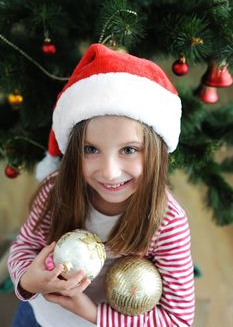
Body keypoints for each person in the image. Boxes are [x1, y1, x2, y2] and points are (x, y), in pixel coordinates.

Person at [8, 43, 195, 327]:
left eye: (129, 150)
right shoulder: (55, 191)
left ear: (155, 153)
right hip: (39, 319)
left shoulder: (167, 221)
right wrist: (29, 280)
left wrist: (91, 313)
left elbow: (177, 319)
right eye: (91, 149)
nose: (109, 172)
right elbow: (25, 247)